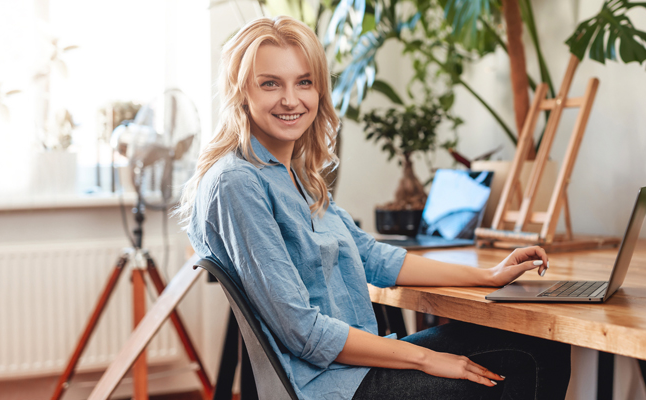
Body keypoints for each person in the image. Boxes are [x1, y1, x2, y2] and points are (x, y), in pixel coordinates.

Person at [177, 16, 571, 400]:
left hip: (352, 368)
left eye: (304, 82)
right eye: (270, 84)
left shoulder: (295, 174)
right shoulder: (237, 182)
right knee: (535, 356)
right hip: (332, 384)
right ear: (240, 91)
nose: (291, 99)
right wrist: (426, 359)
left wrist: (486, 276)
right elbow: (303, 331)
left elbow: (372, 256)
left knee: (535, 339)